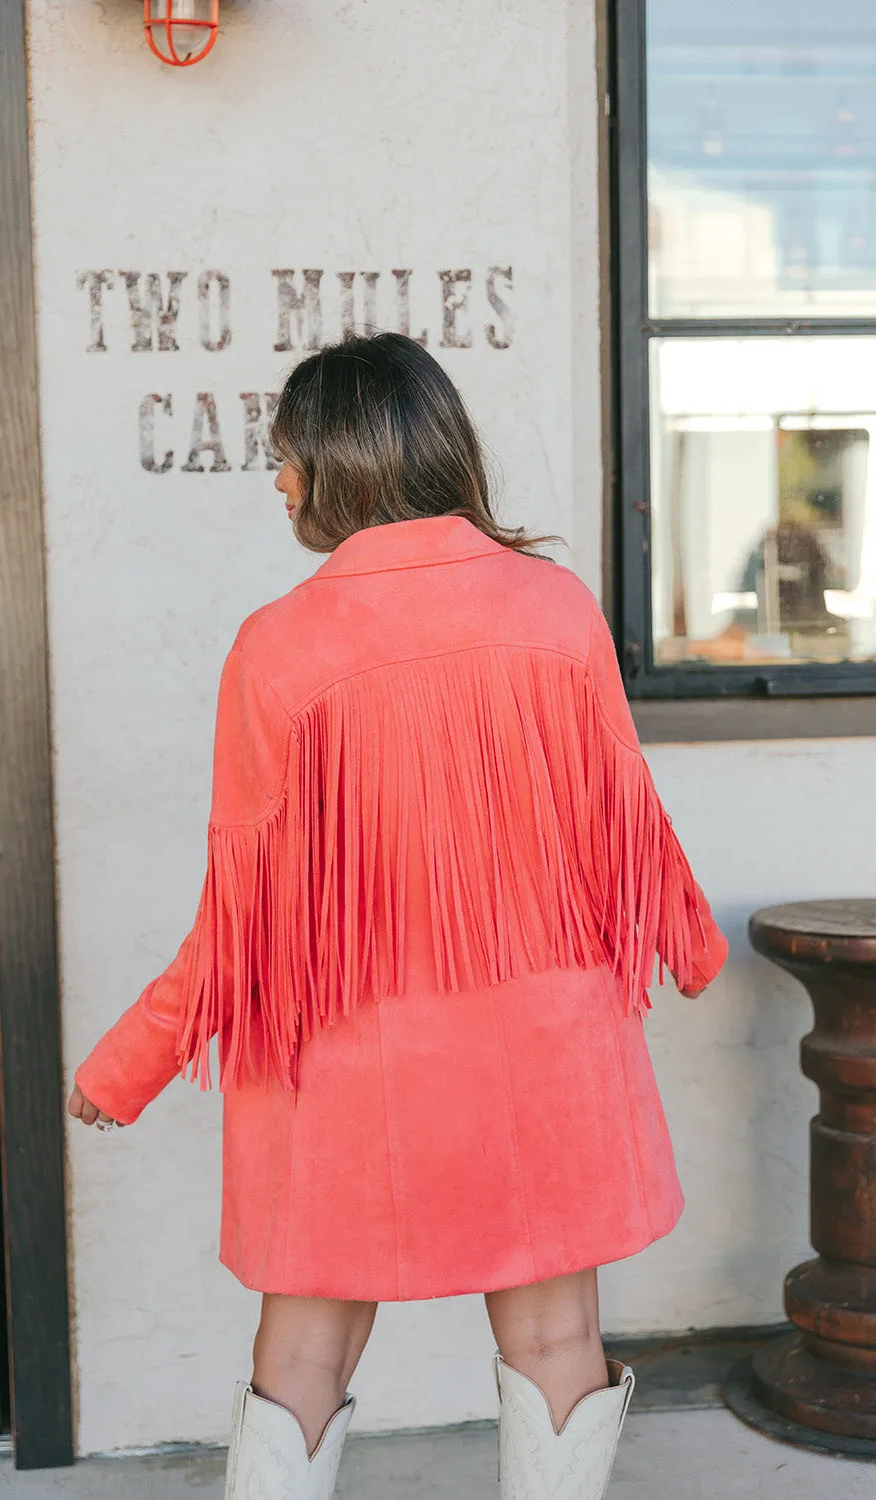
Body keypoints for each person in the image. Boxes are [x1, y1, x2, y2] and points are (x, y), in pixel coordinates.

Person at [69, 333, 728, 1500]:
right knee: (553, 1346)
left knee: (303, 1356)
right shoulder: (557, 607)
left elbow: (244, 916)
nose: (275, 483)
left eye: (286, 458)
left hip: (345, 1074)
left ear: (346, 462)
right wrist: (691, 943)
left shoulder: (276, 650)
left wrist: (131, 1061)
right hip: (539, 1055)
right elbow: (625, 823)